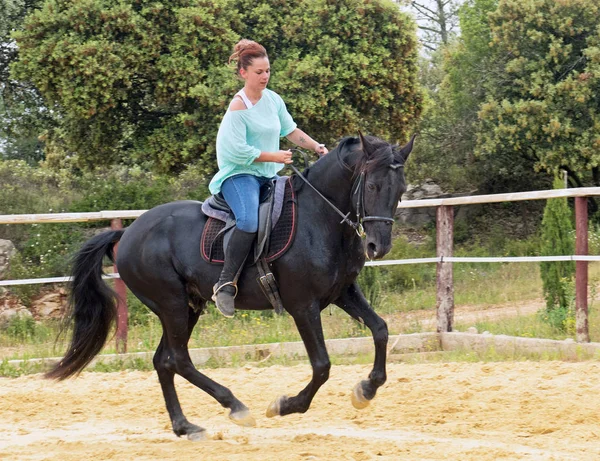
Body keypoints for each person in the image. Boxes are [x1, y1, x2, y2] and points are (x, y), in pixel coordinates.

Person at [209, 39, 329, 318]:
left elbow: (291, 131)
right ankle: (225, 283)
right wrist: (273, 157)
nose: (265, 76)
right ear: (243, 73)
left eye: (267, 71)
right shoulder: (238, 107)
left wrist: (316, 147)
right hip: (240, 175)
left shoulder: (273, 99)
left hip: (269, 175)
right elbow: (235, 151)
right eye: (259, 72)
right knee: (249, 221)